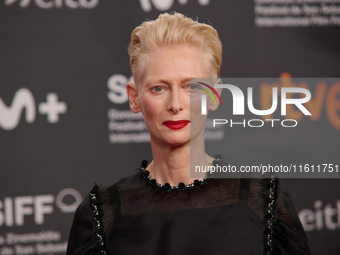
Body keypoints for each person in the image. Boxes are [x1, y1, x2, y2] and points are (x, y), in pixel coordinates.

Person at [66, 12, 311, 255]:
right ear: (134, 98)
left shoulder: (264, 197)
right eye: (158, 88)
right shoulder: (100, 213)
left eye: (191, 87)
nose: (175, 104)